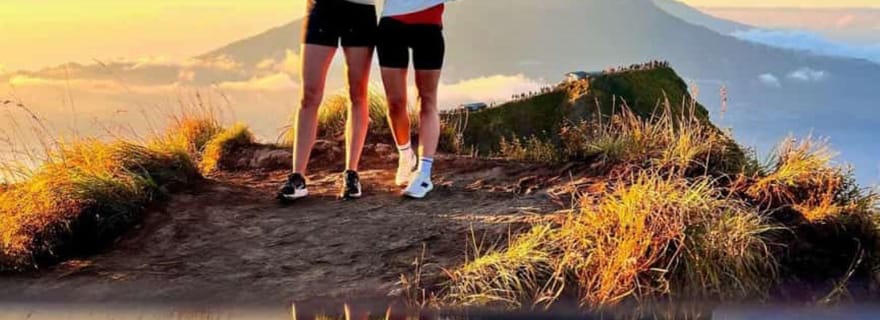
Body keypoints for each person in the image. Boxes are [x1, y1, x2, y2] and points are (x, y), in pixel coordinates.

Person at [277, 0, 377, 201]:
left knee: (358, 93)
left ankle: (352, 173)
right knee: (309, 95)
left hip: (360, 9)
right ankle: (297, 177)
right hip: (322, 8)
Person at [378, 0, 451, 199]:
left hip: (429, 25)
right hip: (391, 24)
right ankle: (405, 155)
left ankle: (424, 174)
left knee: (427, 100)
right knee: (395, 103)